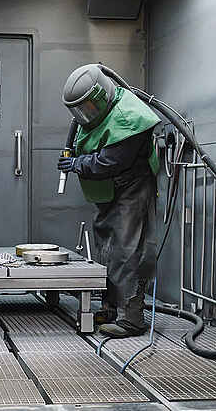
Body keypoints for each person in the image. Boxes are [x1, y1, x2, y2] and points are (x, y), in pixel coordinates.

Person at [57, 64, 161, 338]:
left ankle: (131, 319)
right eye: (78, 111)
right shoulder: (95, 114)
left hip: (133, 188)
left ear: (100, 96)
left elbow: (112, 160)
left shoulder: (129, 116)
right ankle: (111, 307)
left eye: (87, 108)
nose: (83, 116)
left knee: (127, 250)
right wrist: (76, 160)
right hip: (110, 190)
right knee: (107, 247)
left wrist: (78, 163)